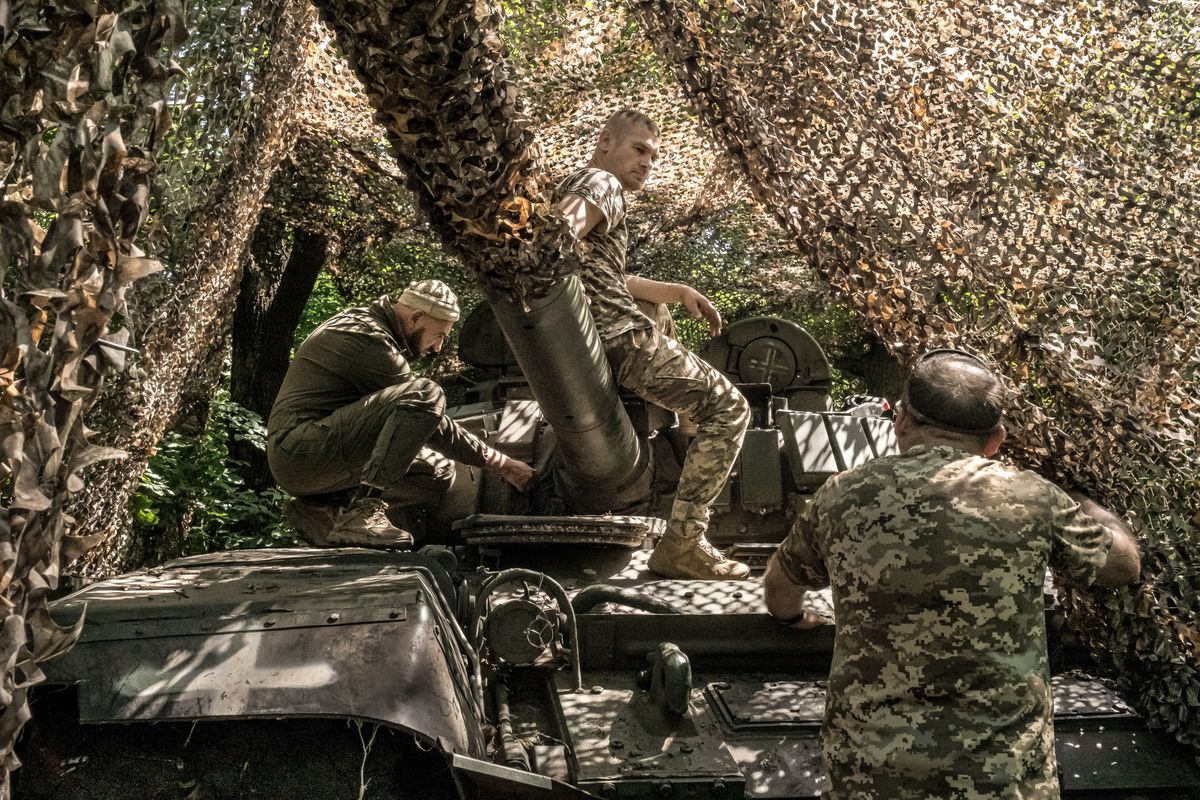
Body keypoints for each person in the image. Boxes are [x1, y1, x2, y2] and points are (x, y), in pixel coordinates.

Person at [763, 348, 1141, 799]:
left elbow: (780, 586)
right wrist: (1092, 506)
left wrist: (790, 619)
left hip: (872, 775)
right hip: (1002, 776)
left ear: (901, 421)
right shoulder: (1034, 497)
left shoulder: (843, 494)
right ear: (996, 439)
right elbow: (1123, 566)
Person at [558, 108, 751, 580]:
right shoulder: (600, 184)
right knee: (731, 408)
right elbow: (555, 236)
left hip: (599, 336)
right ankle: (683, 543)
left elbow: (605, 274)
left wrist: (680, 292)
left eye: (654, 156)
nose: (647, 163)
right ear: (605, 141)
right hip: (623, 340)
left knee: (659, 309)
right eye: (639, 150)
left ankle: (686, 426)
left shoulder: (583, 185)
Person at [268, 279, 534, 546]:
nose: (438, 348)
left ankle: (325, 509)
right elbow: (429, 417)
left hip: (313, 453)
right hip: (299, 450)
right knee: (426, 393)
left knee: (437, 470)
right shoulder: (367, 337)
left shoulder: (371, 328)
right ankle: (362, 512)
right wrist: (503, 463)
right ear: (417, 317)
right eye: (439, 334)